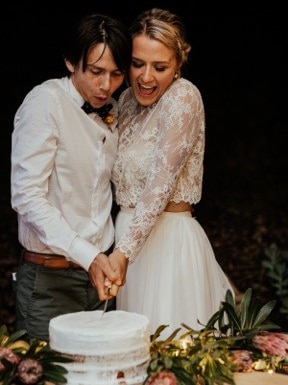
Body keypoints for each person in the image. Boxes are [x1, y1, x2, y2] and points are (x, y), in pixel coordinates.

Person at [109, 8, 235, 338]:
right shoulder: (124, 101)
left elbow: (159, 184)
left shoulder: (183, 97)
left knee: (172, 349)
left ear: (177, 65)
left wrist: (123, 254)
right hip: (127, 247)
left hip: (168, 247)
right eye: (137, 63)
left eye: (159, 67)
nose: (146, 77)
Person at [10, 12, 131, 340]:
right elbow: (26, 196)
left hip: (100, 282)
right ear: (69, 61)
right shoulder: (44, 104)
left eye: (116, 74)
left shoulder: (113, 110)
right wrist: (86, 255)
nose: (106, 86)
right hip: (50, 284)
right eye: (95, 72)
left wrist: (103, 257)